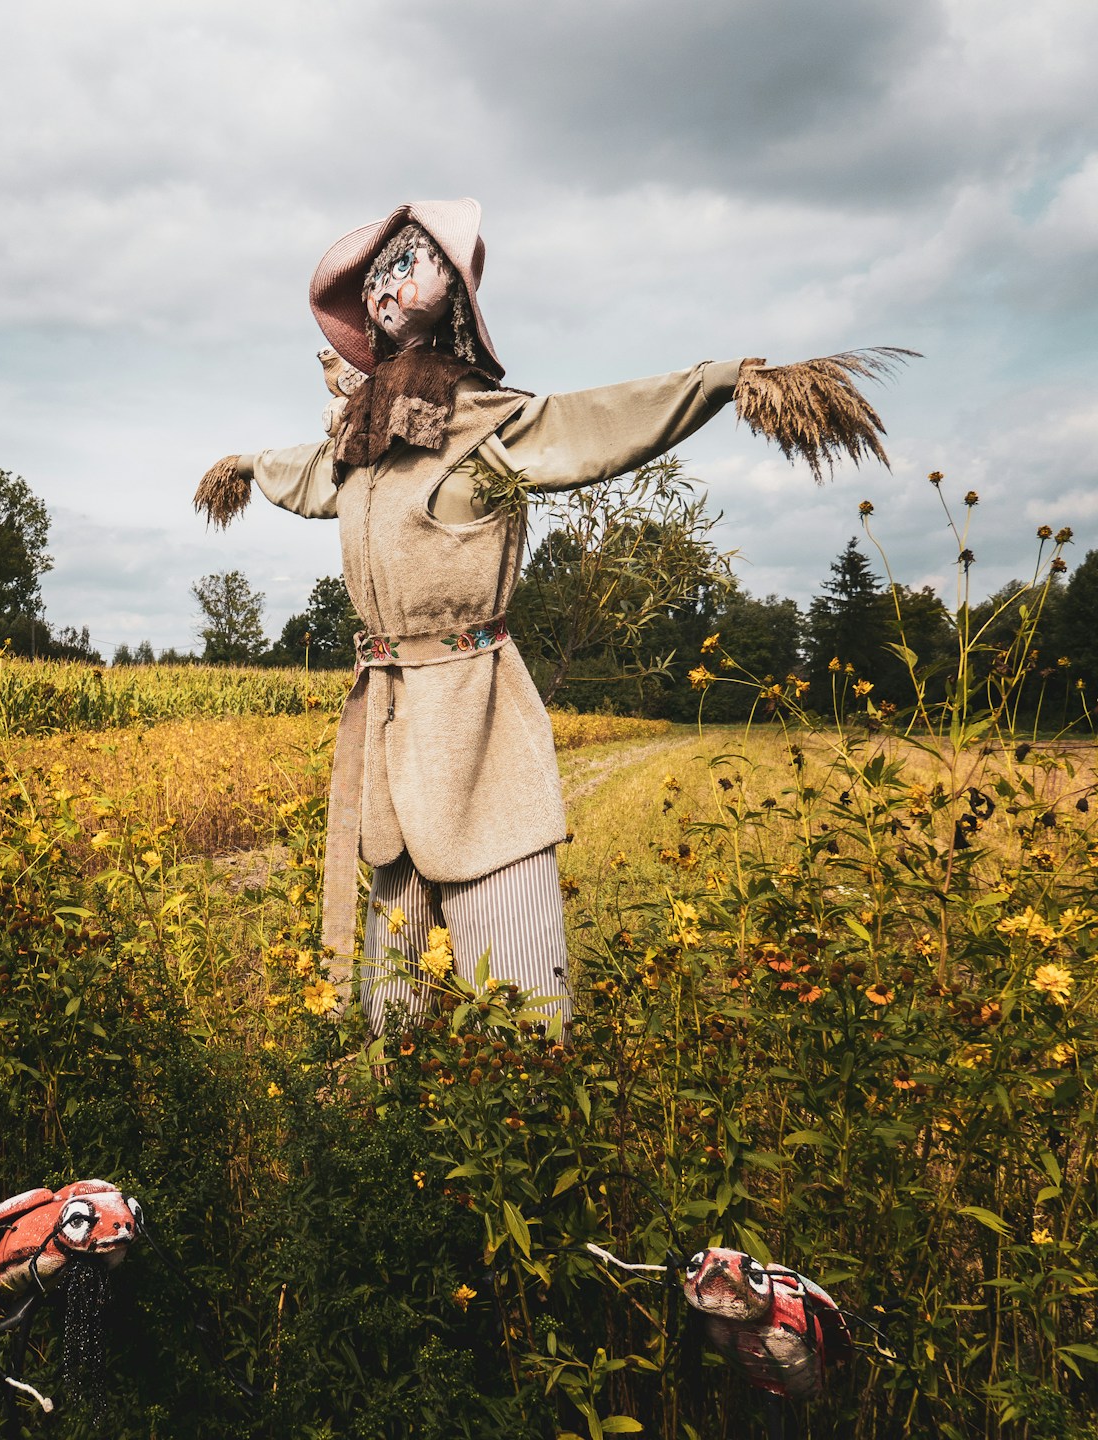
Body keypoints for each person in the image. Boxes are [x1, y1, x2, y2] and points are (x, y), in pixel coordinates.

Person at [204, 200, 762, 1032]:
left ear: (455, 294)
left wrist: (717, 381)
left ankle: (522, 1088)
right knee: (394, 993)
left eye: (408, 264)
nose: (385, 284)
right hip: (389, 722)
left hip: (477, 717)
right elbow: (305, 471)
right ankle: (395, 1087)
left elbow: (600, 421)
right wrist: (247, 464)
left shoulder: (491, 426)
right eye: (376, 272)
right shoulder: (360, 444)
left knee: (515, 990)